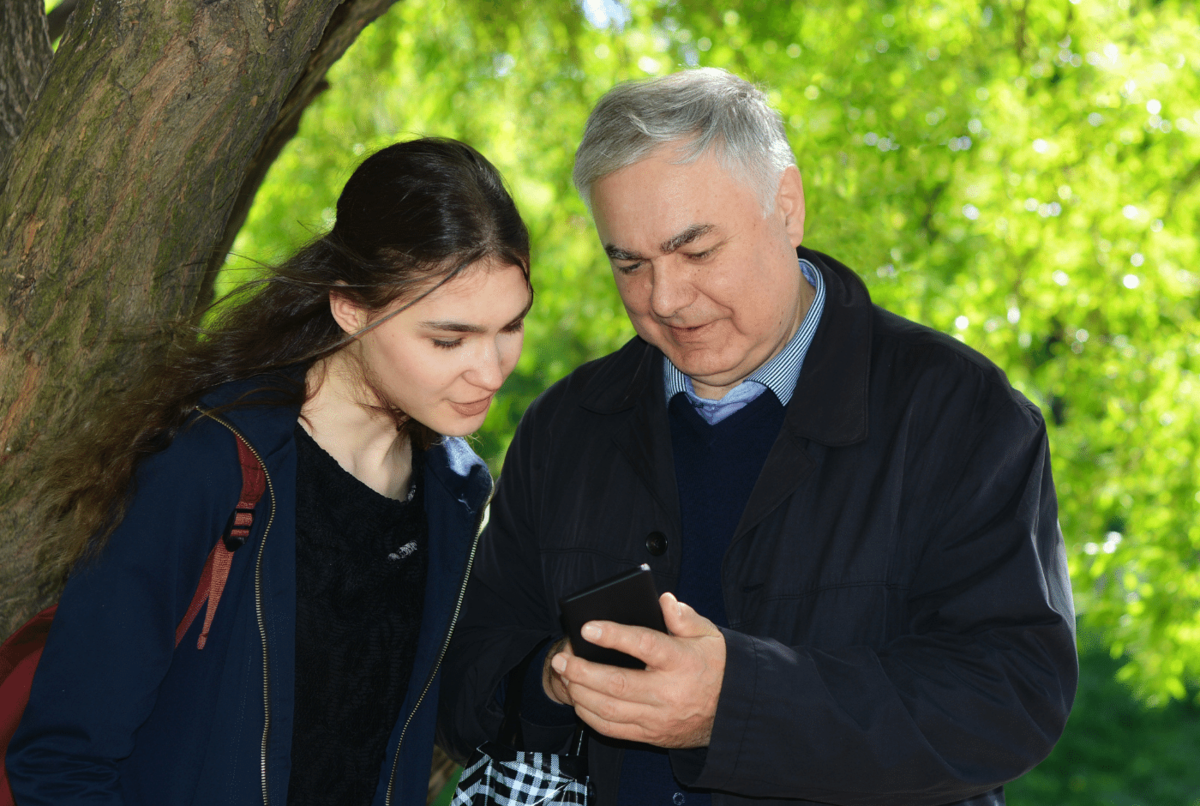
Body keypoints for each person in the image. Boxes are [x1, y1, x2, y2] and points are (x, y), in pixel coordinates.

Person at [437, 69, 1077, 806]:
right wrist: (551, 679)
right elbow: (462, 684)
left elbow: (1012, 700)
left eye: (697, 250)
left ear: (788, 206)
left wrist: (736, 705)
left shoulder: (963, 413)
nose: (665, 299)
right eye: (630, 263)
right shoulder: (566, 427)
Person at [6, 137, 533, 806]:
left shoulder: (455, 492)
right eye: (448, 339)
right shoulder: (209, 465)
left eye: (511, 326)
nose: (490, 371)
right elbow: (64, 758)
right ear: (350, 309)